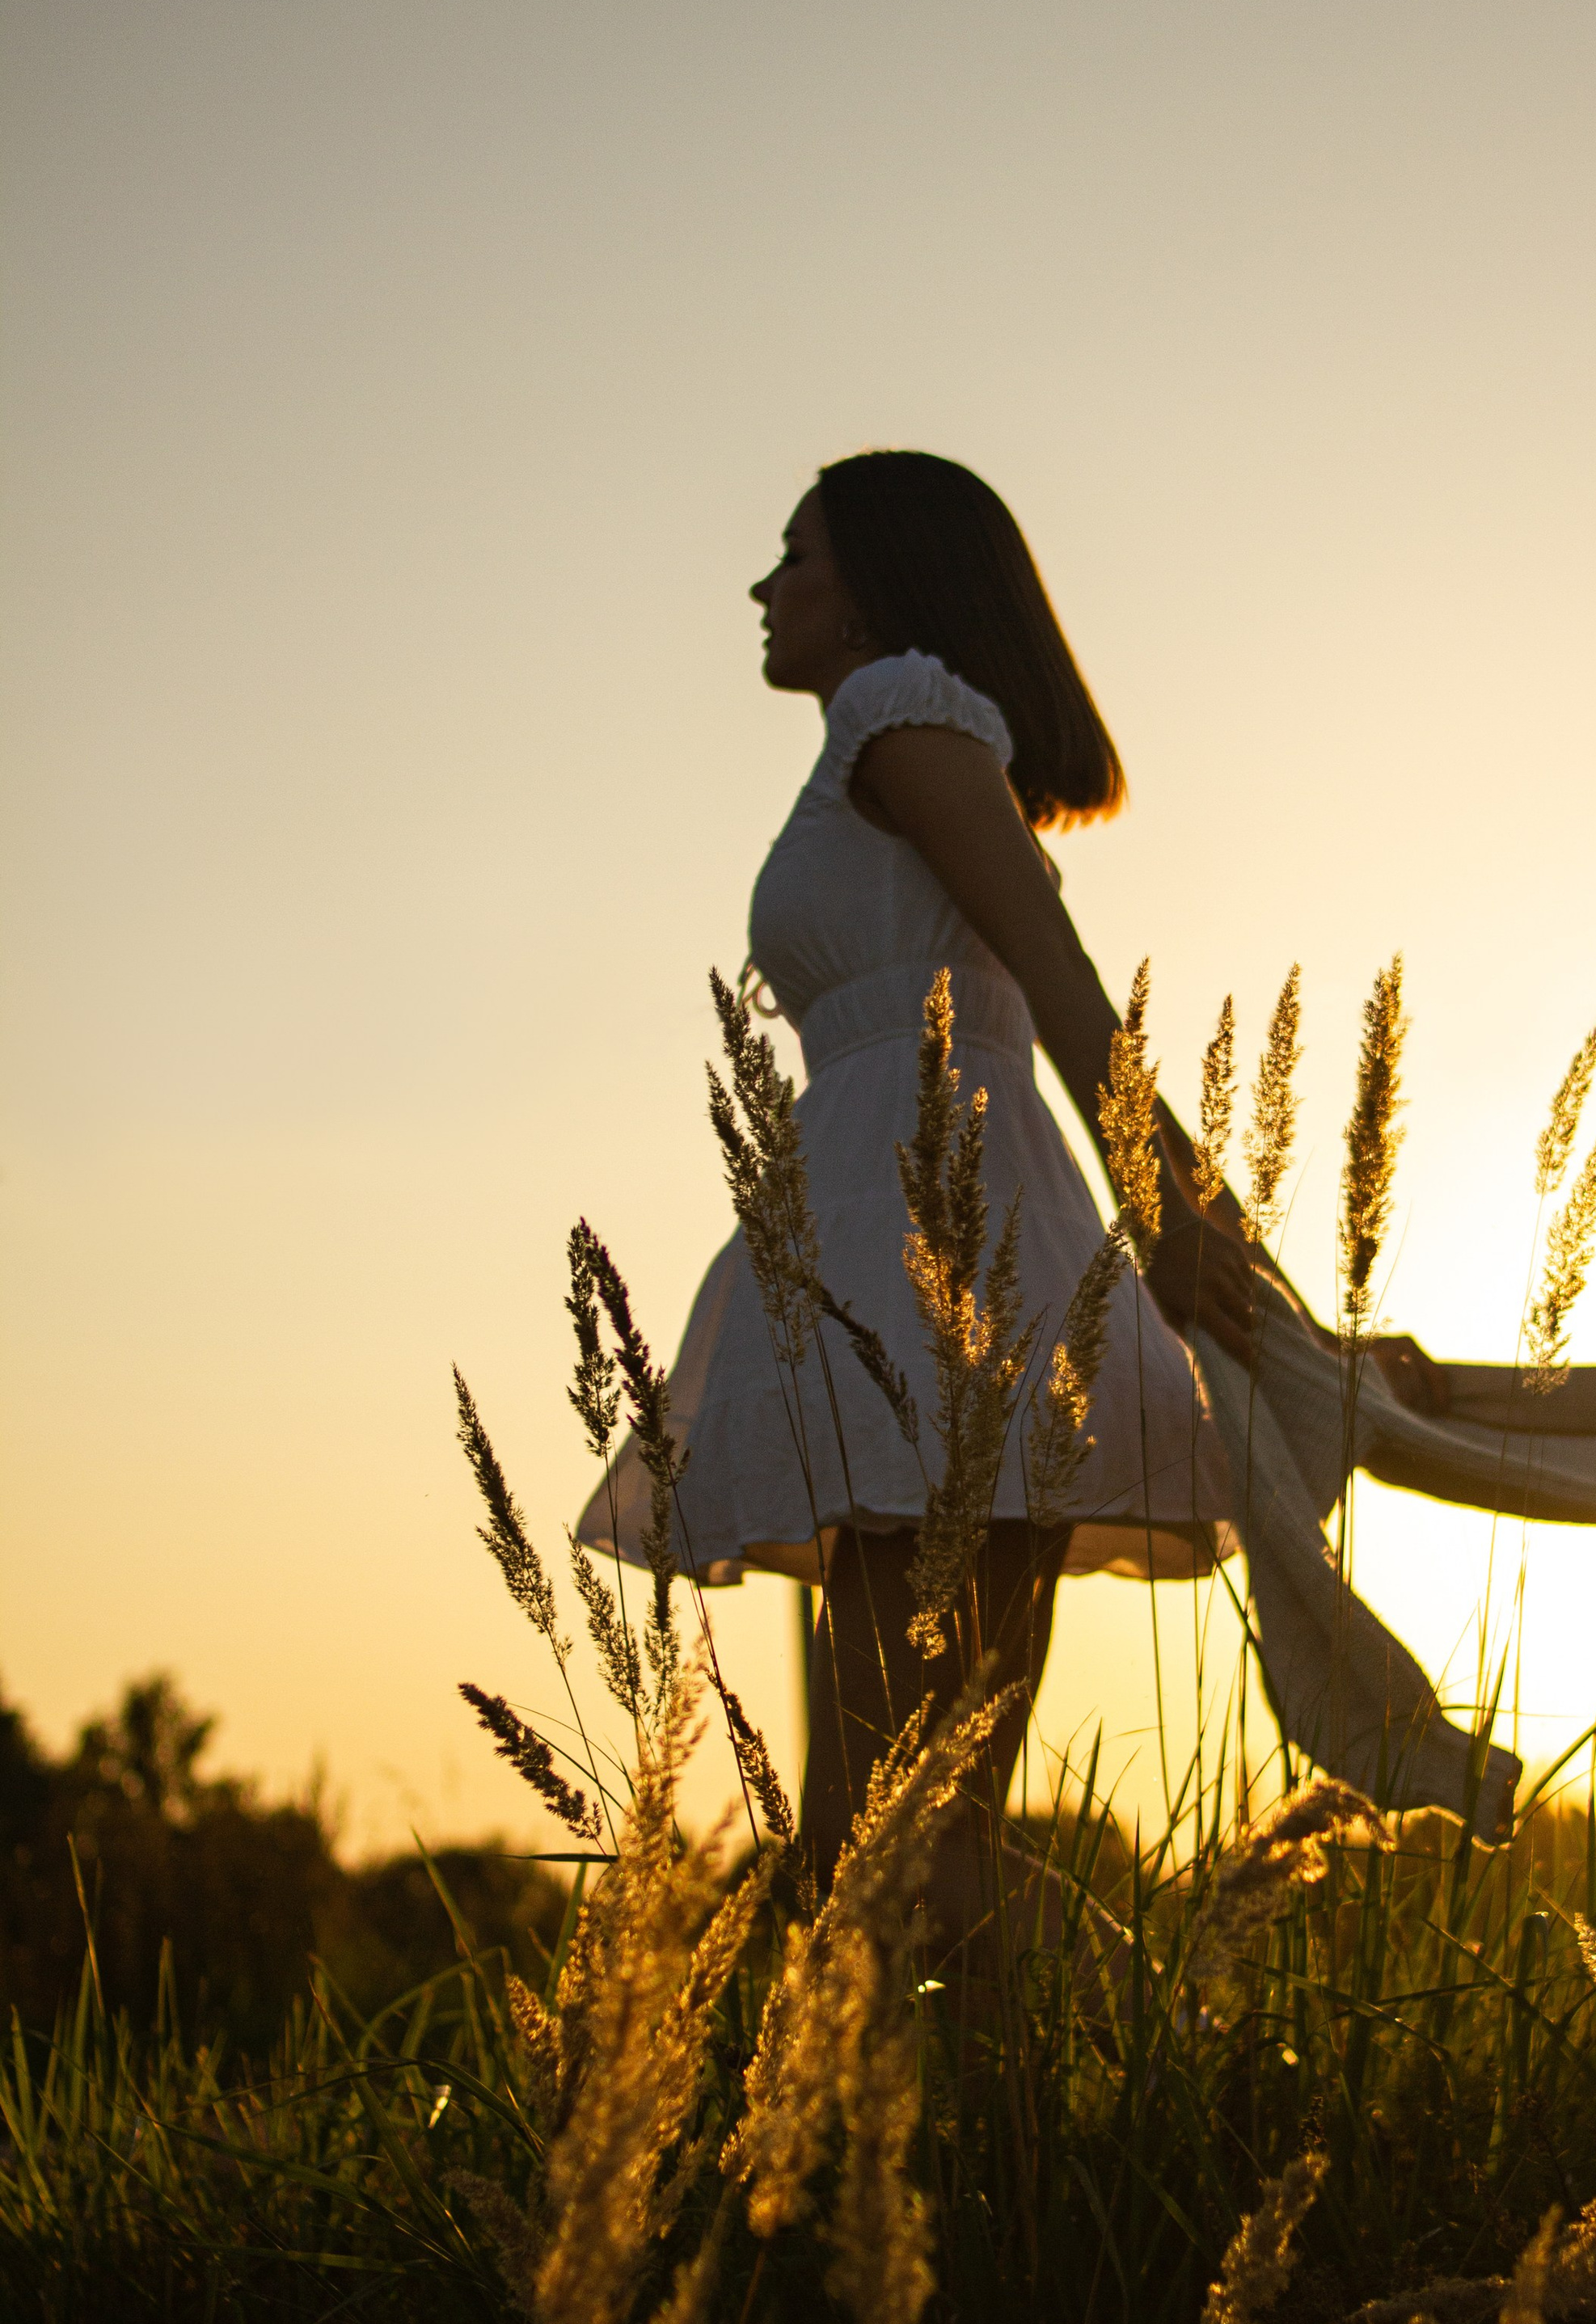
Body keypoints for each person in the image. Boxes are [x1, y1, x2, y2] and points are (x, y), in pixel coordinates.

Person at [577, 450, 1435, 1938]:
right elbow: (1039, 977)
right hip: (873, 1246)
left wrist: (1154, 1194)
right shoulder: (894, 728)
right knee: (878, 1845)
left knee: (901, 1838)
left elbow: (1052, 972)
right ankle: (976, 2135)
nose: (767, 587)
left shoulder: (897, 704)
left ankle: (1170, 2062)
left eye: (799, 556)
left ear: (888, 586)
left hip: (936, 1257)